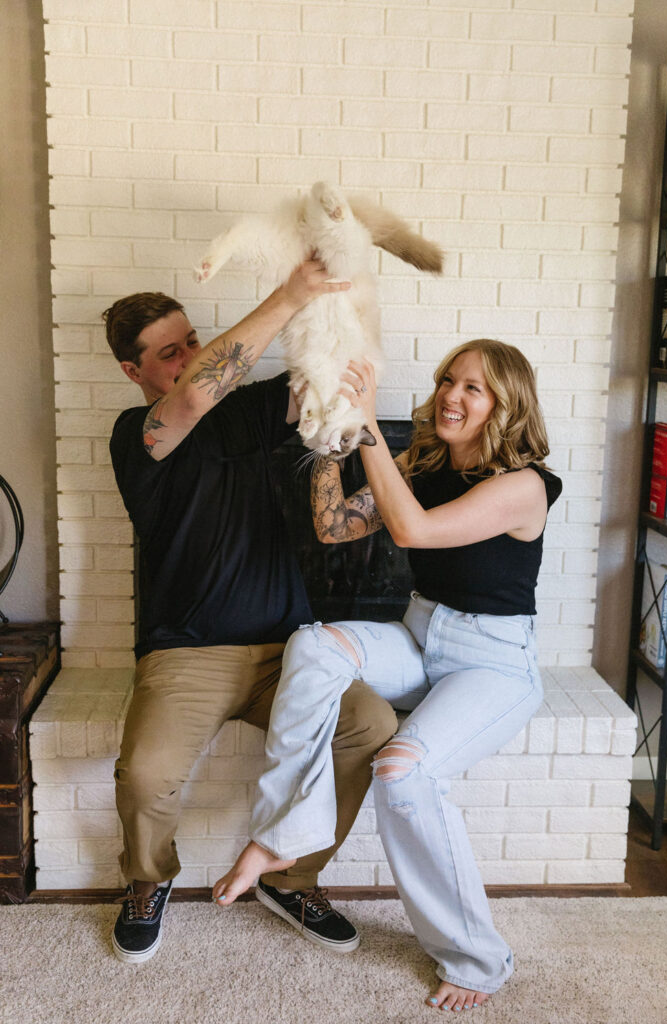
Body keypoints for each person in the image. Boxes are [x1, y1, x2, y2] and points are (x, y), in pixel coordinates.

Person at [211, 338, 562, 1011]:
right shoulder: (425, 460)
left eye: (474, 389)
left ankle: (478, 960)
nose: (452, 396)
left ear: (506, 406)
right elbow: (335, 526)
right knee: (312, 646)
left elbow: (413, 533)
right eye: (448, 380)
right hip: (420, 634)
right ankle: (286, 833)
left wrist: (368, 419)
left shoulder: (524, 485)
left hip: (494, 662)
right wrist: (333, 442)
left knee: (401, 773)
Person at [103, 260, 398, 965]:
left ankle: (294, 880)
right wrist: (288, 293)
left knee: (371, 725)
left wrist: (335, 301)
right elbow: (196, 395)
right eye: (170, 351)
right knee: (144, 773)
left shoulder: (251, 408)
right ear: (131, 370)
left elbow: (315, 381)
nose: (192, 356)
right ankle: (148, 881)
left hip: (289, 652)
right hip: (186, 655)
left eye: (192, 339)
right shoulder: (138, 435)